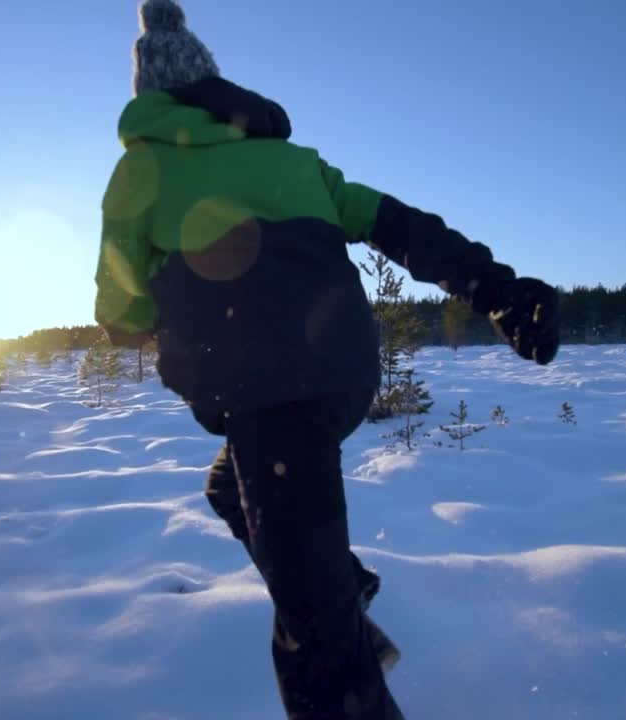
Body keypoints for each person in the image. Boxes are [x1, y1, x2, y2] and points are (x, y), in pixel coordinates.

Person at [93, 1, 561, 717]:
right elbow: (401, 227)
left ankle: (337, 624)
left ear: (149, 99)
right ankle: (338, 593)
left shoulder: (140, 172)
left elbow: (121, 311)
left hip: (261, 395)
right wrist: (496, 288)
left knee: (313, 646)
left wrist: (158, 314)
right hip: (341, 378)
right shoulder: (293, 160)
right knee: (230, 491)